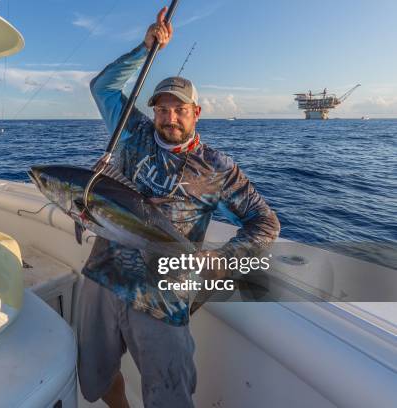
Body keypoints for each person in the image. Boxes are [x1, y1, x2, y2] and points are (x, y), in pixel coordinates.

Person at [76, 7, 280, 408]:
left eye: (179, 109)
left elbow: (265, 222)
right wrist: (144, 47)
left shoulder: (217, 167)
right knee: (96, 375)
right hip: (103, 276)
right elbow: (102, 86)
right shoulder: (133, 132)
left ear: (196, 113)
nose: (169, 118)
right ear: (152, 110)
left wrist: (221, 260)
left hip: (162, 295)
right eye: (162, 109)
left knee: (170, 395)